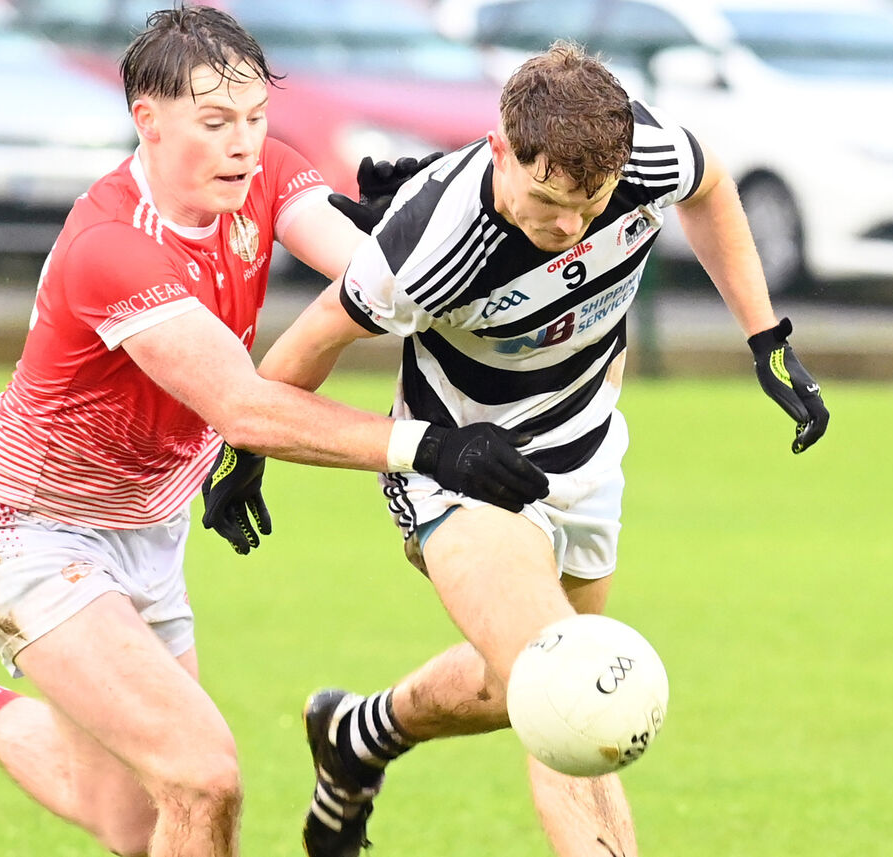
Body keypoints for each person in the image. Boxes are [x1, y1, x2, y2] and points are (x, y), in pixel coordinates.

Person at [0, 7, 550, 857]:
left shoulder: (261, 175)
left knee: (131, 819)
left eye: (255, 119)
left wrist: (429, 208)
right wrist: (432, 447)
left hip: (148, 527)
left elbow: (375, 278)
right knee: (202, 774)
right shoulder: (114, 247)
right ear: (146, 120)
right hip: (22, 532)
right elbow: (245, 409)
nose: (243, 144)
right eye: (215, 123)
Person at [231, 39, 830, 857]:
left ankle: (358, 733)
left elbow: (712, 184)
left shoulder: (640, 152)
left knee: (509, 682)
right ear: (500, 150)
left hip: (587, 454)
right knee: (570, 693)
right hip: (459, 478)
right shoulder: (429, 247)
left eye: (593, 204)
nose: (571, 229)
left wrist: (765, 337)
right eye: (549, 200)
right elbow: (290, 363)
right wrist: (249, 456)